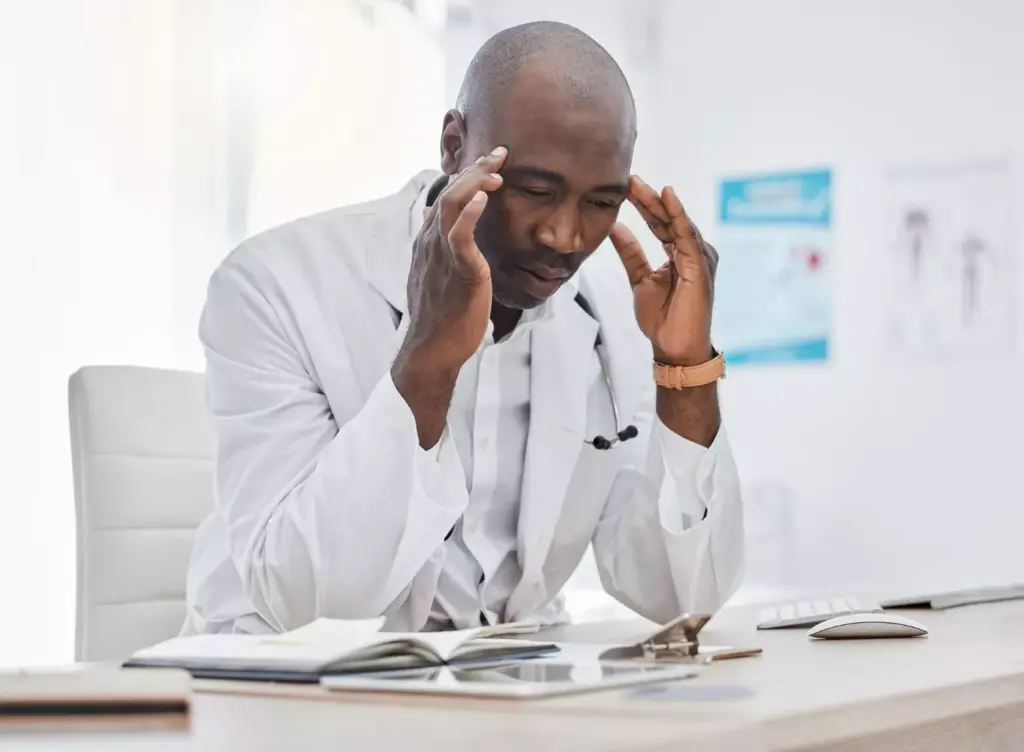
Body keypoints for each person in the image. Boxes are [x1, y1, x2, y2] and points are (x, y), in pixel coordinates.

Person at [183, 21, 744, 636]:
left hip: (502, 682)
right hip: (284, 692)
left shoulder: (610, 309)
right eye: (535, 189)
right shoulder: (274, 283)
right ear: (455, 145)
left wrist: (685, 374)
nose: (566, 237)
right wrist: (429, 358)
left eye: (601, 202)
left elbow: (682, 594)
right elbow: (304, 602)